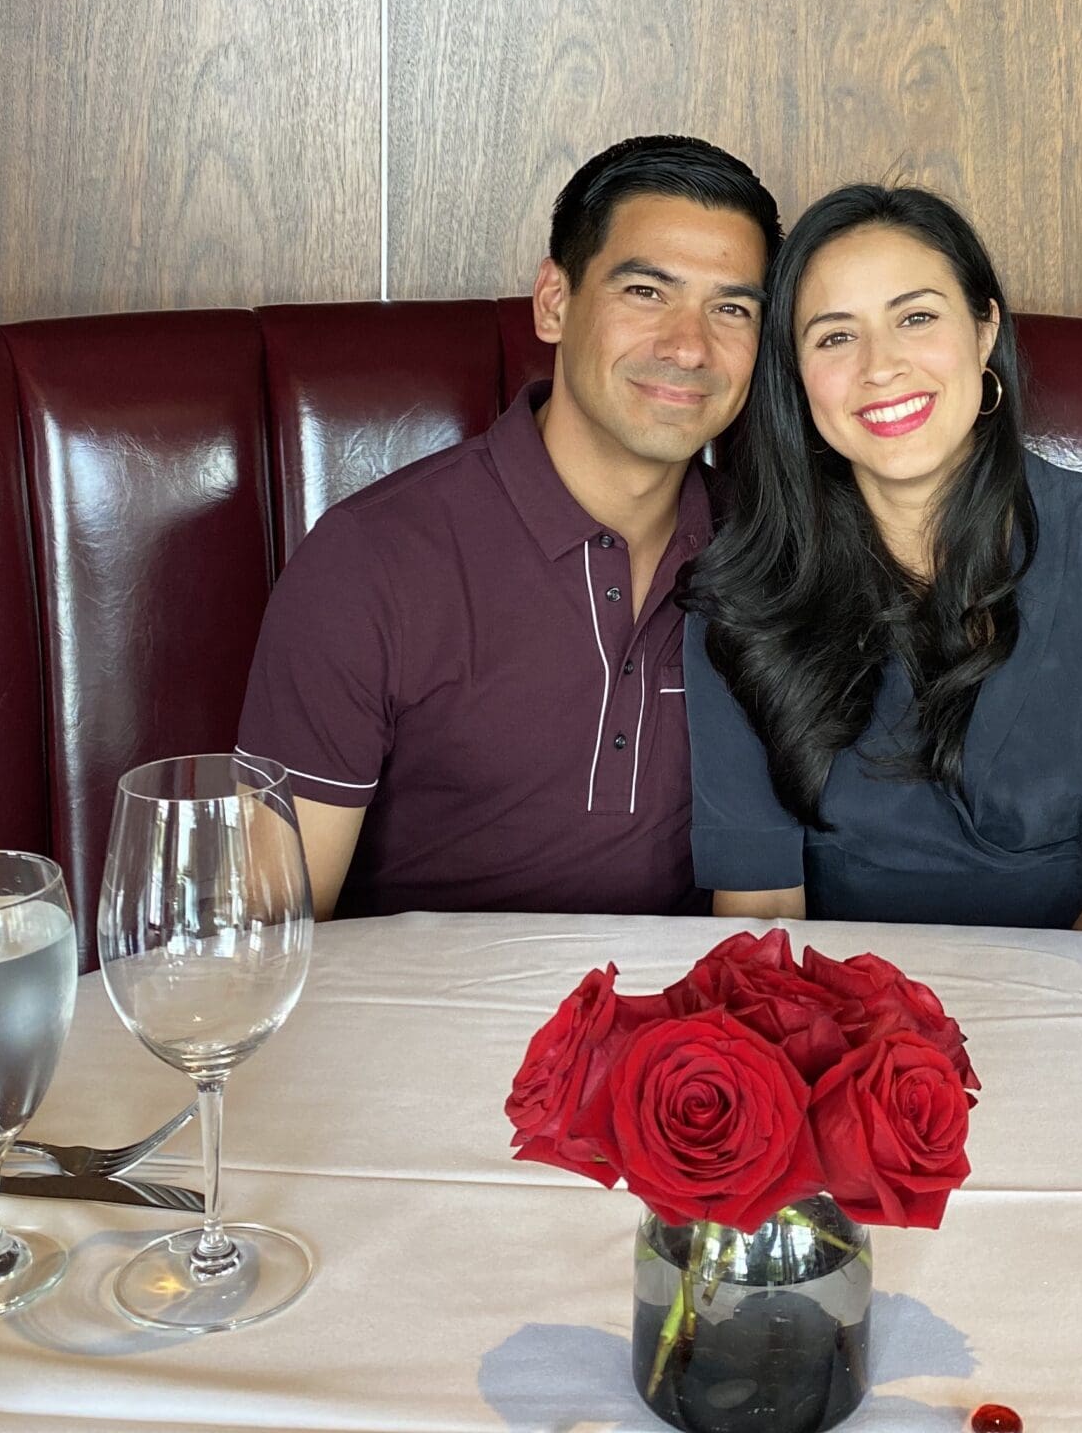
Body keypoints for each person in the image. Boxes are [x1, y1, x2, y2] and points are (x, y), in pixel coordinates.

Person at [237, 136, 781, 920]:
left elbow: (767, 917)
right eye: (646, 293)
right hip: (427, 1029)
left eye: (731, 308)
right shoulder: (370, 563)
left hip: (676, 1034)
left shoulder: (776, 559)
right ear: (554, 302)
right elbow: (270, 938)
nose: (689, 346)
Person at [683, 183, 1082, 935]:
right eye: (835, 337)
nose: (881, 367)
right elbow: (761, 915)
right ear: (796, 380)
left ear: (984, 329)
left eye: (917, 317)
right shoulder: (745, 589)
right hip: (849, 1023)